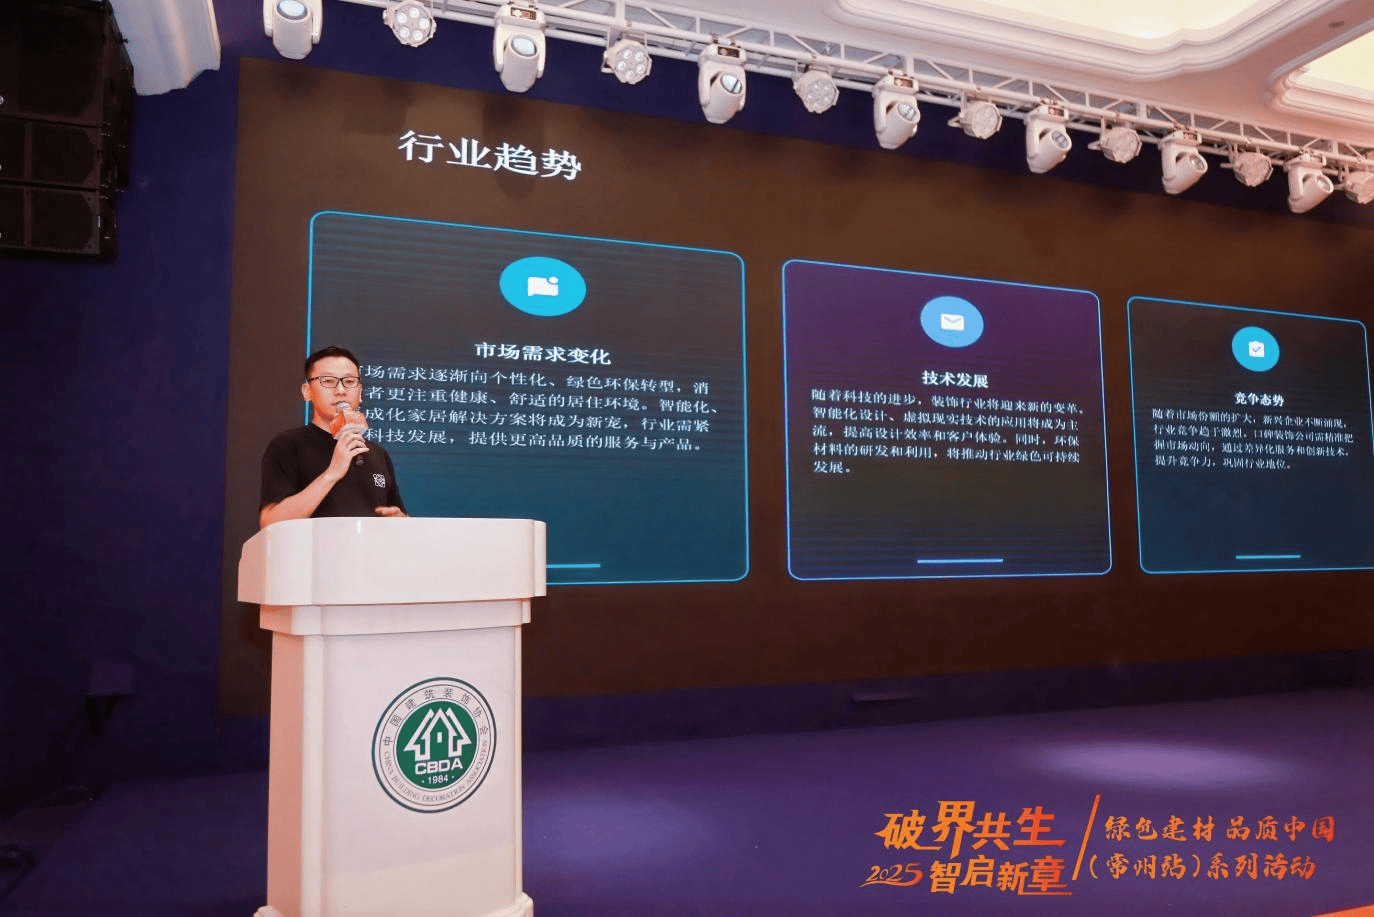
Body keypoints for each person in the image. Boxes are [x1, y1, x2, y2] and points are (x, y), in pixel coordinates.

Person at [259, 345, 406, 528]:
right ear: (307, 391)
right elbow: (270, 521)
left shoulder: (378, 454)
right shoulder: (288, 445)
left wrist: (400, 521)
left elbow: (399, 516)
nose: (341, 390)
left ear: (360, 392)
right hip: (314, 547)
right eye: (328, 381)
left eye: (349, 381)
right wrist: (332, 474)